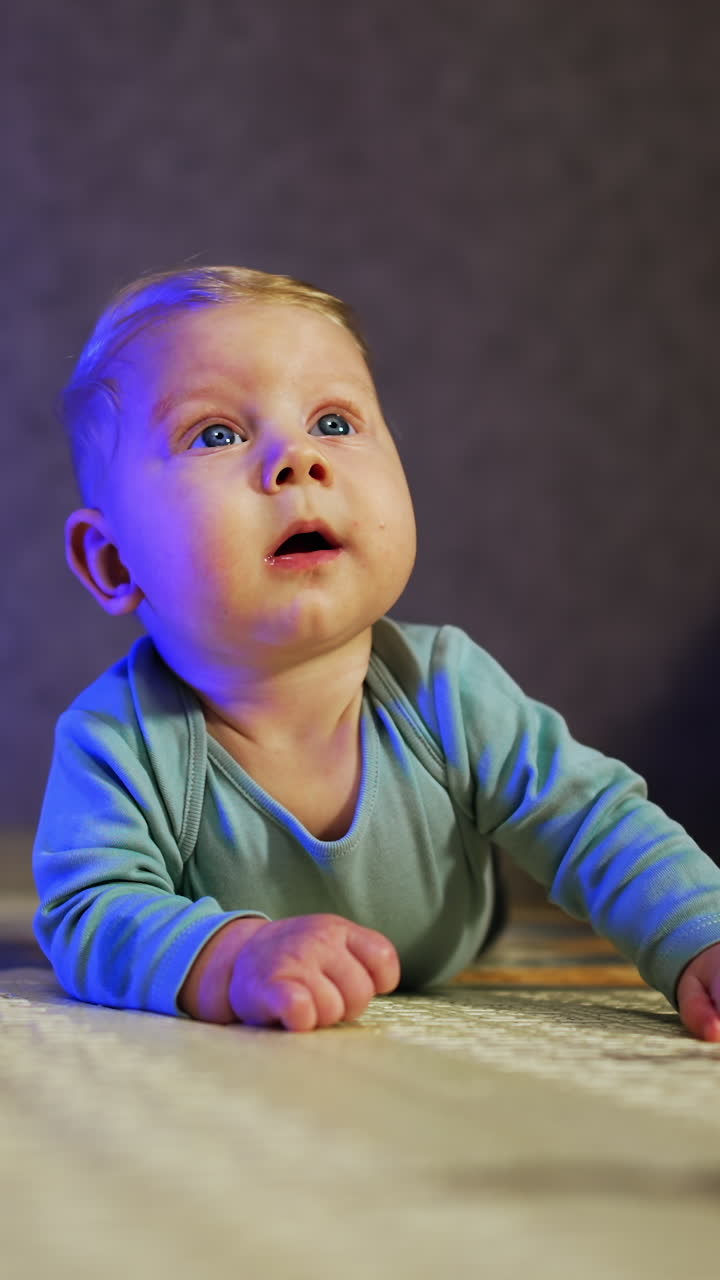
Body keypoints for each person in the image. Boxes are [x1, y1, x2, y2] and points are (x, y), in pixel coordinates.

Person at [33, 265, 720, 1039]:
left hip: (456, 940)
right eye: (217, 434)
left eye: (333, 422)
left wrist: (701, 934)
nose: (298, 460)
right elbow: (90, 909)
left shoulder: (445, 690)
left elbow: (593, 823)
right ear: (113, 561)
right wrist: (234, 957)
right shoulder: (116, 741)